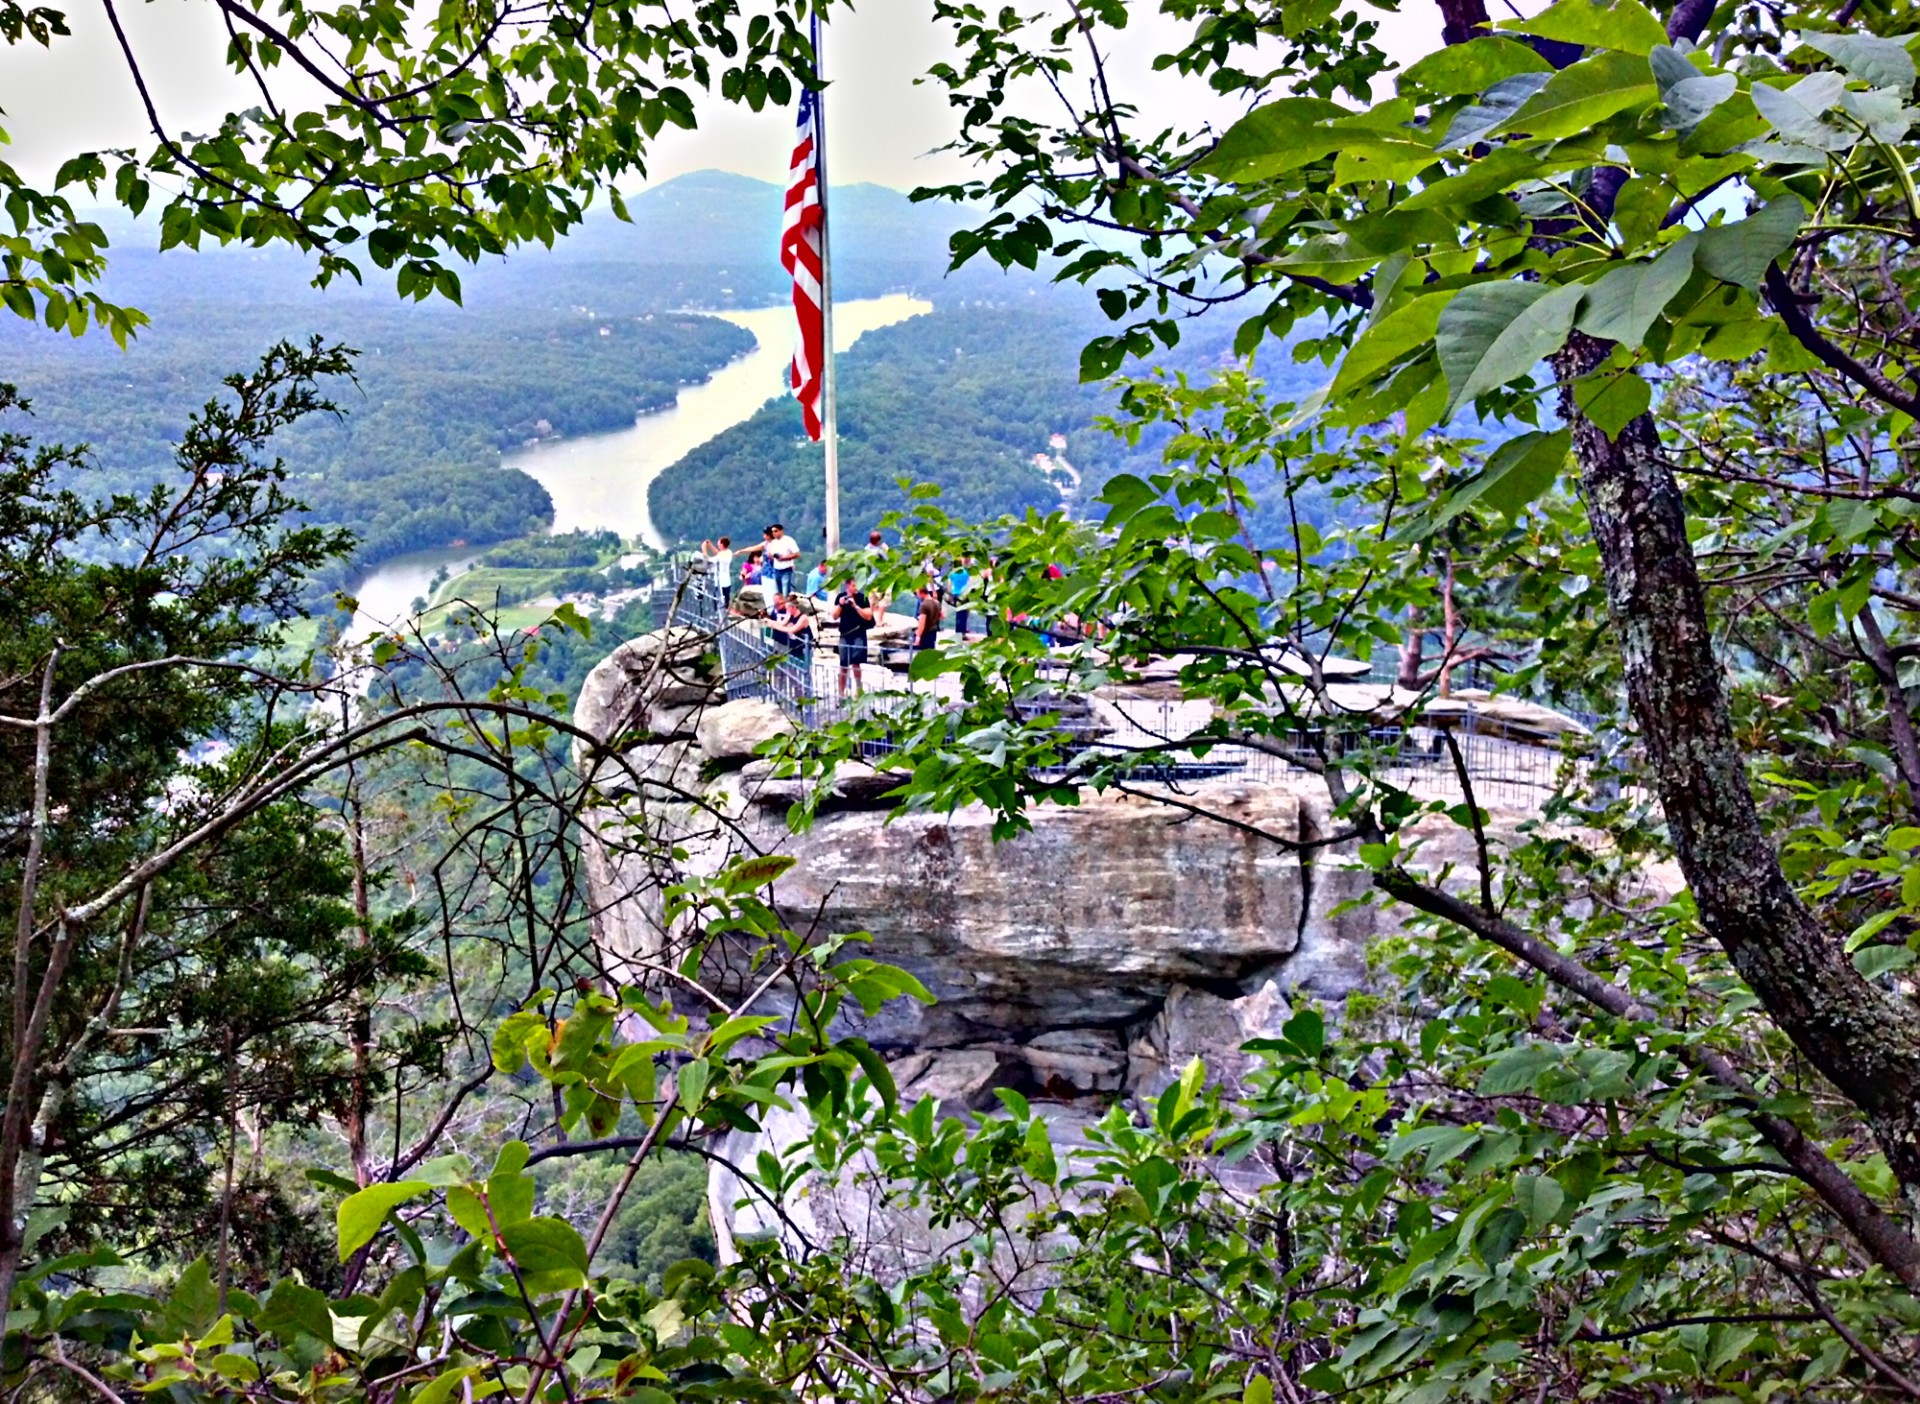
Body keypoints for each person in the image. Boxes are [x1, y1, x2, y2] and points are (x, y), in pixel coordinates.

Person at [829, 577, 874, 700]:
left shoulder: (862, 598)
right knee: (843, 664)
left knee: (856, 663)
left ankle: (858, 689)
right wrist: (840, 604)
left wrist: (856, 606)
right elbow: (834, 616)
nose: (856, 588)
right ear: (847, 586)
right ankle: (841, 693)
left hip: (858, 633)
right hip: (845, 634)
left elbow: (869, 616)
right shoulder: (840, 597)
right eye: (853, 585)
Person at [768, 592, 812, 663]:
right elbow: (781, 624)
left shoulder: (803, 618)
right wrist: (770, 622)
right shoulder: (789, 615)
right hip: (793, 647)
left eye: (788, 608)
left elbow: (792, 629)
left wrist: (774, 626)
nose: (786, 610)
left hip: (803, 649)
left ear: (793, 607)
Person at [763, 522, 801, 597]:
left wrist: (784, 558)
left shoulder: (789, 541)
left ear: (781, 531)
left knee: (785, 591)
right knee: (778, 593)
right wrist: (772, 555)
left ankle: (786, 605)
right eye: (772, 531)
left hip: (786, 569)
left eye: (776, 531)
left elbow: (797, 554)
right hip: (776, 569)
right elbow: (772, 556)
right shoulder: (773, 543)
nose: (774, 533)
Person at [700, 536, 735, 607]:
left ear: (722, 544)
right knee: (726, 599)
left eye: (719, 543)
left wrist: (704, 548)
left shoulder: (721, 556)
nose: (717, 544)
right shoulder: (729, 552)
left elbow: (708, 559)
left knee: (718, 600)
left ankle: (719, 613)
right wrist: (710, 545)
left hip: (720, 582)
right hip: (727, 581)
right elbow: (718, 553)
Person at [948, 557, 973, 640]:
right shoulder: (966, 573)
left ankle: (958, 631)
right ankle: (962, 632)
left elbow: (949, 585)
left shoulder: (952, 574)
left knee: (959, 614)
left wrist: (950, 596)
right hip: (965, 594)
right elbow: (970, 583)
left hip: (955, 594)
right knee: (964, 614)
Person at [913, 584, 943, 652]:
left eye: (917, 593)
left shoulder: (924, 605)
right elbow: (942, 616)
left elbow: (922, 622)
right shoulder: (936, 602)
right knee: (931, 652)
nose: (917, 595)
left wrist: (918, 636)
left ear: (921, 593)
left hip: (926, 633)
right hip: (933, 632)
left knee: (923, 654)